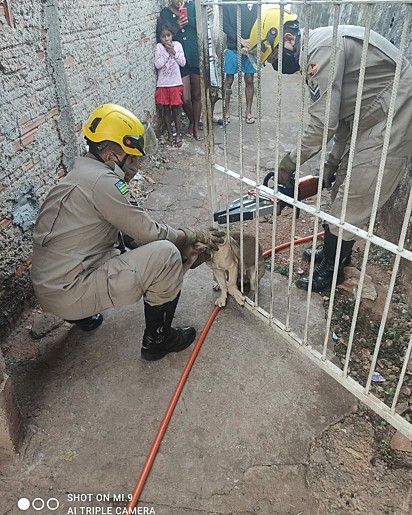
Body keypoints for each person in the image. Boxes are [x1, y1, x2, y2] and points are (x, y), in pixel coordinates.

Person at [31, 104, 224, 361]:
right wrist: (189, 236)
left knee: (121, 244)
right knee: (165, 255)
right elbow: (148, 232)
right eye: (131, 158)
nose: (134, 166)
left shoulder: (80, 173)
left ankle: (82, 316)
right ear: (111, 156)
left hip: (50, 284)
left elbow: (128, 234)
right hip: (68, 291)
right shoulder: (105, 183)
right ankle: (158, 340)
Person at [249, 7, 412, 291]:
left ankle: (332, 270)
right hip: (372, 111)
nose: (276, 66)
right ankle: (333, 254)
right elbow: (343, 116)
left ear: (288, 40)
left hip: (395, 110)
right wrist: (331, 164)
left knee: (357, 193)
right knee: (341, 190)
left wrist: (288, 164)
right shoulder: (318, 50)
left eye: (274, 57)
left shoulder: (321, 52)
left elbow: (323, 124)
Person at [160, 0, 202, 140]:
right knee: (185, 98)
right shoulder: (165, 13)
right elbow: (163, 36)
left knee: (196, 94)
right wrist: (176, 27)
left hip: (194, 54)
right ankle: (192, 120)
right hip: (178, 61)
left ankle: (195, 126)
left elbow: (201, 26)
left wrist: (188, 19)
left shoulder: (193, 6)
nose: (179, 1)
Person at [222, 0, 257, 125]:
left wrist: (250, 43)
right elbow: (224, 24)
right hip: (233, 46)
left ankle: (248, 111)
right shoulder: (227, 3)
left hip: (250, 46)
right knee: (229, 79)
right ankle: (226, 111)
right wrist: (239, 40)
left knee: (249, 79)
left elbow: (258, 22)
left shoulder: (255, 3)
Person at [155, 20, 186, 148]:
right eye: (163, 36)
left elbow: (183, 63)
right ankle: (169, 134)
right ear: (160, 38)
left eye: (168, 35)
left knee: (176, 110)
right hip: (163, 84)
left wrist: (173, 52)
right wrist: (167, 53)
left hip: (175, 83)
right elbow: (158, 65)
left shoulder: (177, 45)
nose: (166, 39)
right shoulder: (159, 48)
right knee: (166, 110)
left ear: (172, 35)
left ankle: (178, 134)